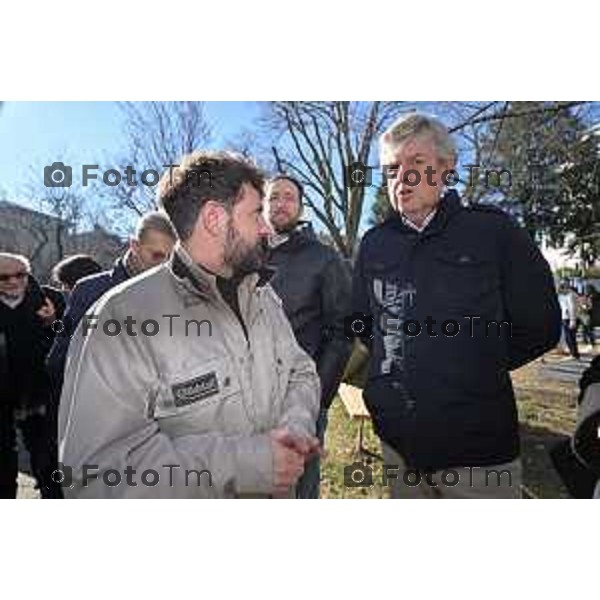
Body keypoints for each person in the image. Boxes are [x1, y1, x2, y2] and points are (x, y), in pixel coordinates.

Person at [58, 151, 320, 498]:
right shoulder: (122, 319)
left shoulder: (263, 295)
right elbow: (99, 476)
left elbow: (300, 371)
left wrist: (295, 429)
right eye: (256, 213)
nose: (265, 227)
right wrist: (248, 465)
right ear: (214, 218)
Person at [351, 113, 561, 499]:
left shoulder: (493, 232)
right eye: (393, 168)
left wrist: (472, 365)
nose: (402, 178)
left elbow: (541, 325)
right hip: (400, 446)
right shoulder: (374, 244)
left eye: (416, 163)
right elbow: (365, 325)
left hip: (477, 449)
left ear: (447, 168)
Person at [266, 175, 353, 498]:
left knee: (299, 485)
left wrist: (318, 395)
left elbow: (343, 332)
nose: (280, 204)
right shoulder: (245, 255)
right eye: (273, 197)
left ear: (301, 207)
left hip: (302, 398)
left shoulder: (324, 258)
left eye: (289, 197)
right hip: (249, 399)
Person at [47, 211, 177, 394]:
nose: (163, 266)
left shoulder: (176, 292)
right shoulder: (90, 291)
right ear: (134, 246)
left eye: (170, 259)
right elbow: (60, 360)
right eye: (156, 256)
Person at [0, 253, 63, 498]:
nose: (13, 282)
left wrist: (52, 322)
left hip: (39, 394)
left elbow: (67, 335)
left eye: (20, 275)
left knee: (47, 459)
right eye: (3, 278)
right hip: (3, 393)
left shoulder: (50, 298)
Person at [558, 281, 580, 359]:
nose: (560, 291)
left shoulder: (571, 295)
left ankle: (574, 354)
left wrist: (572, 320)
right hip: (567, 318)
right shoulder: (567, 295)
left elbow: (572, 308)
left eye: (561, 288)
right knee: (569, 337)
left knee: (570, 337)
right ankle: (573, 353)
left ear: (565, 287)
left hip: (569, 319)